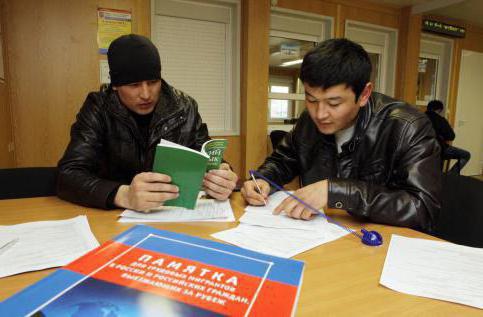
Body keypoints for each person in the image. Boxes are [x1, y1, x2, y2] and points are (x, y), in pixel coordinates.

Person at [242, 38, 441, 233]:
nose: (319, 114)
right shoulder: (309, 120)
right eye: (311, 100)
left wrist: (337, 192)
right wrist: (263, 180)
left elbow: (422, 209)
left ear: (364, 94)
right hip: (323, 235)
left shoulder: (407, 127)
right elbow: (283, 161)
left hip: (381, 244)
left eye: (334, 103)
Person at [57, 34, 238, 211]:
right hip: (113, 216)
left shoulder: (185, 107)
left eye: (152, 82)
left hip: (174, 214)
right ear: (115, 85)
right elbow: (68, 175)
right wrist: (123, 195)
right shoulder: (98, 108)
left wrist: (222, 174)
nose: (145, 94)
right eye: (134, 85)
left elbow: (208, 158)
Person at [425, 99, 470, 174]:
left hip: (421, 150)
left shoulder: (419, 118)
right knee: (466, 155)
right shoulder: (440, 120)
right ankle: (450, 175)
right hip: (439, 150)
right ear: (439, 110)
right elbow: (451, 136)